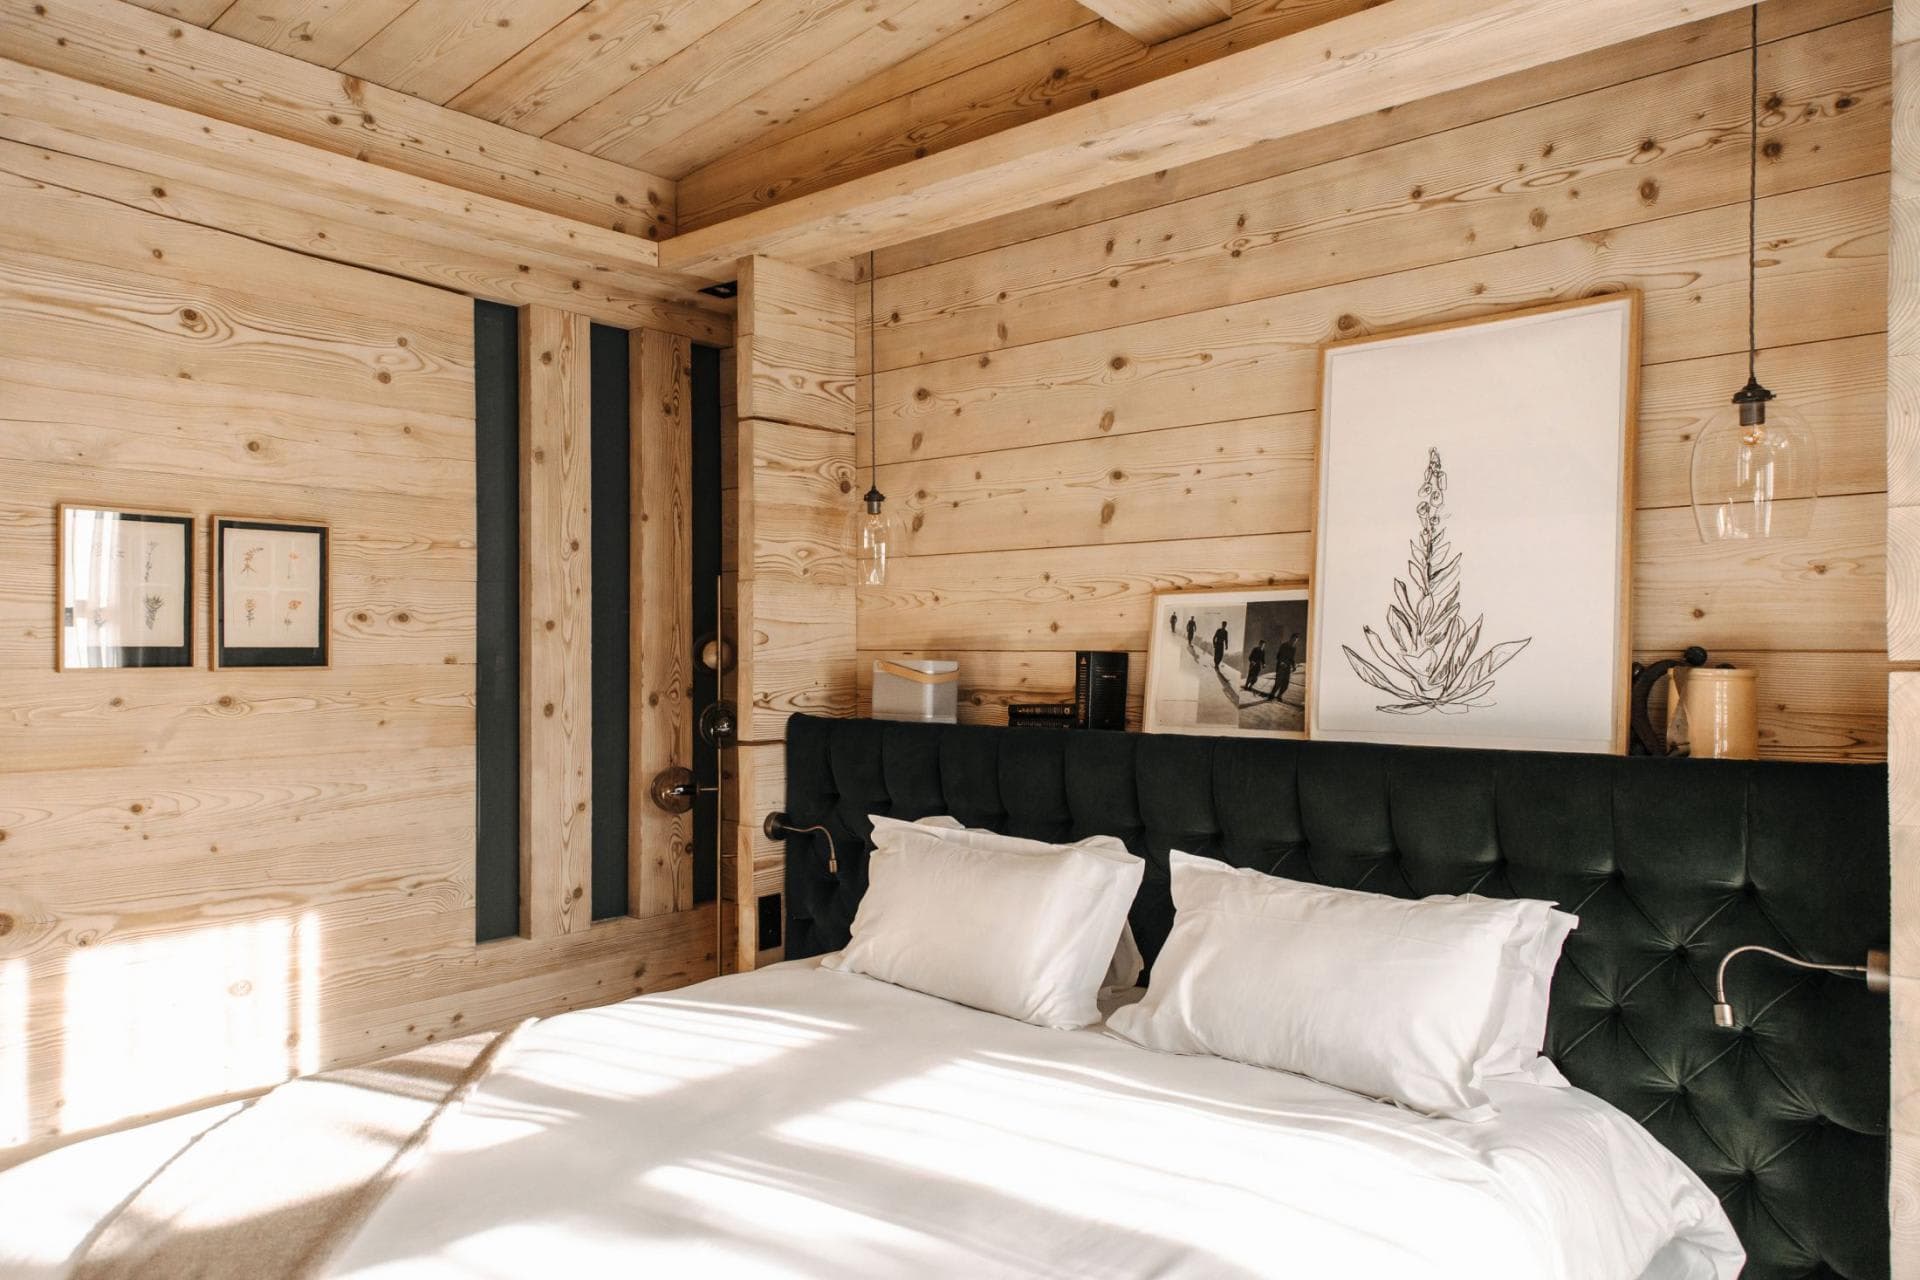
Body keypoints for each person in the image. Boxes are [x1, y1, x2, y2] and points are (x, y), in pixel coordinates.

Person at [1269, 631, 1300, 701]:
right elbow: (1278, 656)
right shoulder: (1284, 645)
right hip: (1280, 667)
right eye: (1294, 640)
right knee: (1278, 683)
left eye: (1296, 641)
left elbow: (1292, 658)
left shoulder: (1294, 648)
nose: (1294, 642)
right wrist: (1282, 662)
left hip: (1287, 667)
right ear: (1291, 638)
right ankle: (1272, 695)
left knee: (1286, 684)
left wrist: (1294, 665)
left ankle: (1279, 695)